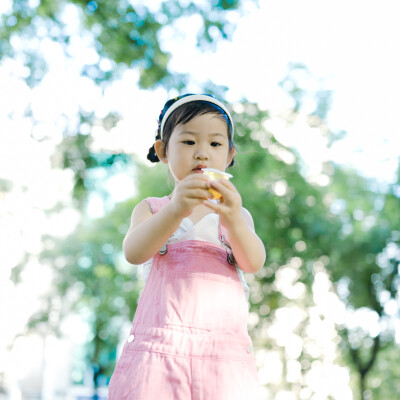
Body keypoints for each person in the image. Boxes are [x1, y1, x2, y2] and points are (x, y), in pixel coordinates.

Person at [108, 94, 266, 399]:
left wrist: (232, 218)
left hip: (222, 361)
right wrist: (175, 210)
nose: (202, 154)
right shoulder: (153, 209)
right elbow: (133, 252)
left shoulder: (236, 215)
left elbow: (253, 262)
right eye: (189, 142)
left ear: (230, 156)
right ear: (163, 151)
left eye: (215, 144)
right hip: (159, 357)